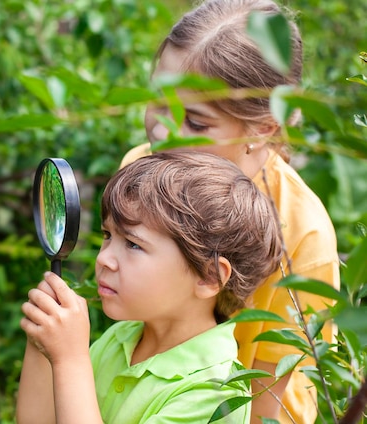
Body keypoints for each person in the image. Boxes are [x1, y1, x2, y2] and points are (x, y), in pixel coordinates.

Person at [120, 1, 340, 423]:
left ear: (263, 129)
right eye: (158, 102)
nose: (162, 133)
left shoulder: (302, 236)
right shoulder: (141, 169)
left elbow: (273, 393)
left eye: (197, 123)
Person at [16, 151, 283, 424]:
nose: (103, 259)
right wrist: (44, 344)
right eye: (108, 235)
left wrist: (70, 361)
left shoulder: (216, 392)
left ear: (209, 276)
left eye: (133, 244)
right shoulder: (121, 338)